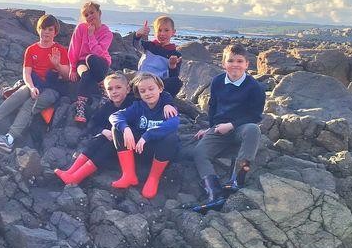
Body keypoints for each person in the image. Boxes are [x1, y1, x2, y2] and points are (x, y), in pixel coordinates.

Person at [182, 43, 265, 212]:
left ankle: (238, 179)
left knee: (253, 130)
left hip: (240, 128)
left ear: (247, 64)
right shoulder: (218, 81)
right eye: (231, 60)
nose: (235, 64)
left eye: (240, 61)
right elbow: (213, 108)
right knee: (199, 152)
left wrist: (232, 125)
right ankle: (214, 192)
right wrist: (209, 129)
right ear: (223, 63)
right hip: (219, 129)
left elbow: (255, 116)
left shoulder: (255, 87)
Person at [57, 72, 180, 187]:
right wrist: (103, 131)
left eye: (118, 88)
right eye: (110, 89)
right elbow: (94, 123)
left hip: (135, 144)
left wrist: (168, 103)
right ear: (105, 92)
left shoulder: (135, 100)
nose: (114, 92)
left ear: (128, 89)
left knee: (110, 141)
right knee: (100, 139)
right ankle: (71, 172)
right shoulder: (106, 107)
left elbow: (159, 90)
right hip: (123, 142)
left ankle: (77, 177)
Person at [0, 14, 71, 152]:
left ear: (55, 32)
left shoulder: (59, 50)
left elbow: (67, 76)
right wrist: (31, 87)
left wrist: (57, 65)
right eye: (43, 28)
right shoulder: (31, 50)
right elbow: (26, 73)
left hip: (51, 89)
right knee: (19, 94)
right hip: (34, 84)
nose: (46, 32)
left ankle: (9, 139)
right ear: (38, 29)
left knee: (29, 104)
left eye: (50, 29)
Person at [109, 73, 180, 199]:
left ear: (160, 89)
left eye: (151, 89)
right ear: (139, 94)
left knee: (171, 137)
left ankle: (153, 179)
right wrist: (125, 129)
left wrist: (148, 134)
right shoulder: (138, 106)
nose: (148, 93)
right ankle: (128, 174)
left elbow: (174, 124)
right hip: (139, 149)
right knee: (117, 128)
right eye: (143, 91)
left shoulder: (167, 108)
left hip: (158, 153)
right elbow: (114, 116)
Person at [67, 1, 113, 124]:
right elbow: (74, 48)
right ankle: (80, 107)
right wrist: (72, 68)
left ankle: (103, 90)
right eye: (86, 15)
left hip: (100, 61)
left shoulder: (107, 33)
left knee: (91, 58)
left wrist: (91, 35)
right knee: (86, 74)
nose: (90, 16)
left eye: (92, 12)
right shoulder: (81, 28)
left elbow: (99, 52)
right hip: (82, 61)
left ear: (99, 13)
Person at [133, 15, 183, 97]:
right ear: (155, 32)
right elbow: (136, 45)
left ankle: (163, 99)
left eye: (166, 30)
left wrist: (172, 66)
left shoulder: (175, 54)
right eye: (159, 30)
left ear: (173, 32)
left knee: (176, 82)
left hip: (158, 83)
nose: (162, 33)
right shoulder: (149, 46)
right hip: (142, 79)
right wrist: (138, 34)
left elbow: (173, 75)